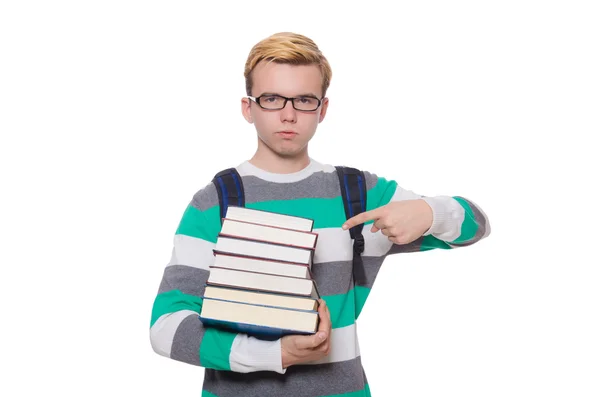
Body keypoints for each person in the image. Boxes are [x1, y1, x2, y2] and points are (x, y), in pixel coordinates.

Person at [149, 31, 491, 397]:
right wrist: (273, 353)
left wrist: (429, 212)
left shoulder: (358, 194)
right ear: (248, 108)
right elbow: (166, 328)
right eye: (272, 98)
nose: (289, 114)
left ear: (323, 109)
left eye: (304, 100)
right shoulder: (215, 201)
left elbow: (477, 225)